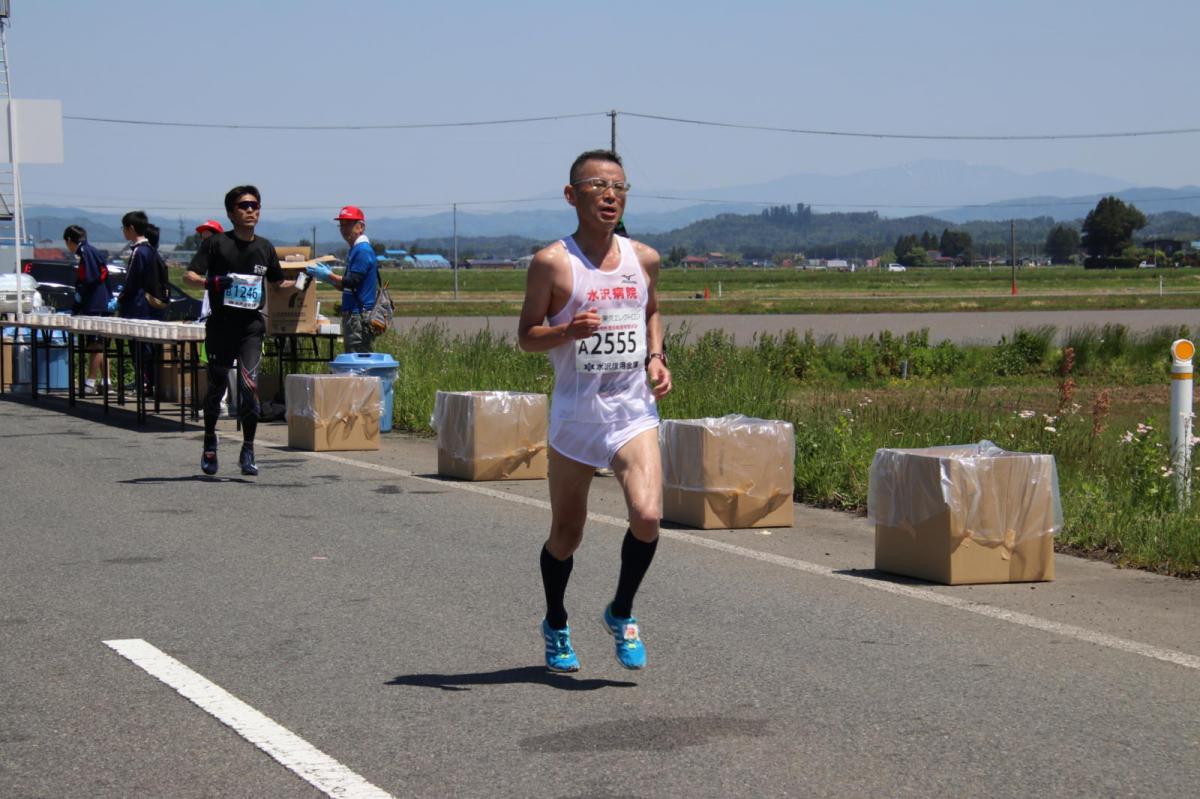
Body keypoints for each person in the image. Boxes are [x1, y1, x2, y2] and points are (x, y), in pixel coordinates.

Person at [517, 149, 672, 672]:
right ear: (571, 195)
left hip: (632, 411)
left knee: (648, 516)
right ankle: (556, 622)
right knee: (567, 534)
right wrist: (567, 331)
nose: (610, 195)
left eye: (620, 187)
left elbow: (651, 311)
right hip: (576, 417)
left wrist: (656, 356)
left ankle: (621, 611)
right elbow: (526, 338)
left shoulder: (643, 258)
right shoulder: (552, 263)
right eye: (598, 185)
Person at [184, 185, 292, 476]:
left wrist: (306, 282)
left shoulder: (265, 247)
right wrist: (211, 283)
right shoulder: (217, 244)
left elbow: (279, 283)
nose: (251, 210)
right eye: (244, 206)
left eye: (255, 205)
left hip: (250, 328)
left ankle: (248, 448)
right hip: (220, 326)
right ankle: (209, 441)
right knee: (217, 386)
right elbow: (189, 275)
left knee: (249, 388)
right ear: (231, 213)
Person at [305, 205, 378, 353]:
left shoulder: (362, 250)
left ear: (360, 227)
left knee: (357, 357)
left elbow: (352, 281)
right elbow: (347, 285)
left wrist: (329, 275)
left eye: (349, 224)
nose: (344, 229)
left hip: (358, 314)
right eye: (342, 225)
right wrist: (329, 279)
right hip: (353, 314)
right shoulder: (355, 250)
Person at [115, 212, 165, 393]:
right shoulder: (151, 250)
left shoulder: (139, 251)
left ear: (131, 229)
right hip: (149, 306)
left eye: (124, 229)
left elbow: (131, 280)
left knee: (137, 347)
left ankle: (143, 381)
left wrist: (120, 298)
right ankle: (149, 382)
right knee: (148, 347)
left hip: (136, 306)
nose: (123, 232)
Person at [65, 224, 115, 395]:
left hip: (95, 304)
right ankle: (106, 381)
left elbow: (89, 279)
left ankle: (90, 382)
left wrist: (79, 298)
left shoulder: (85, 253)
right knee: (101, 344)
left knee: (95, 345)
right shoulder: (90, 251)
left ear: (70, 241)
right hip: (101, 302)